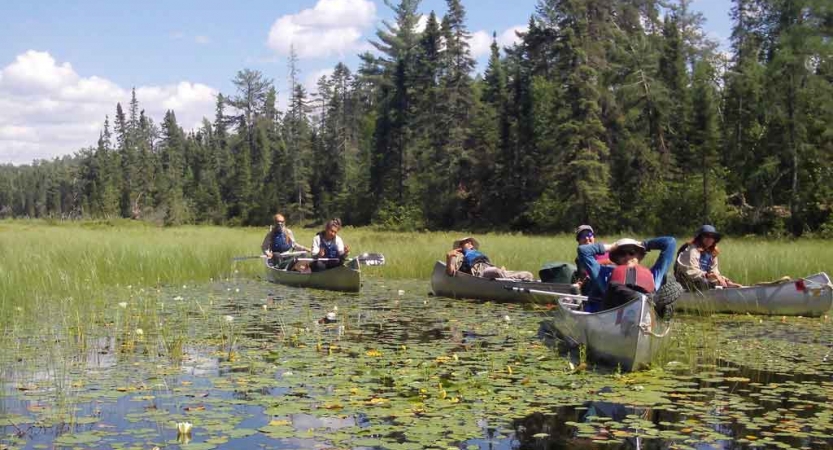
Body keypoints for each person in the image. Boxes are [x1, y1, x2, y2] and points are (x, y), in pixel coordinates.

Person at [577, 236, 677, 311]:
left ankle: (649, 301)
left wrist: (645, 244)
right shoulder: (603, 274)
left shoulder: (654, 275)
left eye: (632, 253)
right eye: (622, 253)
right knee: (613, 286)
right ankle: (646, 299)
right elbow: (583, 251)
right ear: (616, 259)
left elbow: (670, 243)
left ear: (639, 256)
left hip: (645, 311)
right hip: (613, 316)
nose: (627, 256)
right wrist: (611, 247)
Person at [675, 225, 741, 290]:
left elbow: (714, 272)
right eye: (706, 236)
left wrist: (724, 281)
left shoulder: (712, 252)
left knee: (709, 282)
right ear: (700, 237)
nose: (710, 239)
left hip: (703, 280)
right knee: (704, 283)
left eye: (712, 237)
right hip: (686, 282)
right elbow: (690, 272)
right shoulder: (692, 250)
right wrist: (708, 275)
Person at [445, 236, 534, 281]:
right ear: (460, 246)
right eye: (466, 242)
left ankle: (517, 284)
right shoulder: (457, 255)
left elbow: (489, 267)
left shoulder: (478, 254)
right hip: (479, 274)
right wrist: (448, 258)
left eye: (470, 242)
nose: (469, 243)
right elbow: (450, 273)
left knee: (528, 274)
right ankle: (505, 280)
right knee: (496, 272)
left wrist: (500, 269)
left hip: (490, 270)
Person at [572, 225, 612, 294]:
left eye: (589, 234)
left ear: (593, 237)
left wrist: (595, 263)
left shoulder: (605, 249)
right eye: (583, 236)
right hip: (593, 287)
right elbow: (584, 275)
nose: (587, 238)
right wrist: (580, 283)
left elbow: (616, 261)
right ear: (579, 241)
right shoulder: (579, 259)